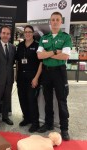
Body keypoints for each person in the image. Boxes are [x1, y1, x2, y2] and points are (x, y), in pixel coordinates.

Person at [37, 12, 72, 140]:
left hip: (59, 72)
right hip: (46, 72)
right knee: (47, 100)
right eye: (53, 20)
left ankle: (64, 128)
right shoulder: (44, 37)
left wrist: (48, 54)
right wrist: (55, 52)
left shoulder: (66, 37)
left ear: (61, 22)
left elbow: (65, 56)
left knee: (62, 100)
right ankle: (49, 123)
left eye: (57, 19)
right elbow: (39, 56)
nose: (55, 22)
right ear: (50, 22)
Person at [15, 25, 42, 133]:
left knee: (32, 100)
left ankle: (35, 123)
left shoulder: (37, 45)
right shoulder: (20, 45)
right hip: (21, 77)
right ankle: (27, 118)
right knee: (22, 99)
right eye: (26, 32)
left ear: (33, 33)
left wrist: (36, 78)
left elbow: (41, 63)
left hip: (33, 77)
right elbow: (17, 61)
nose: (27, 33)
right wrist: (16, 75)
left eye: (29, 32)